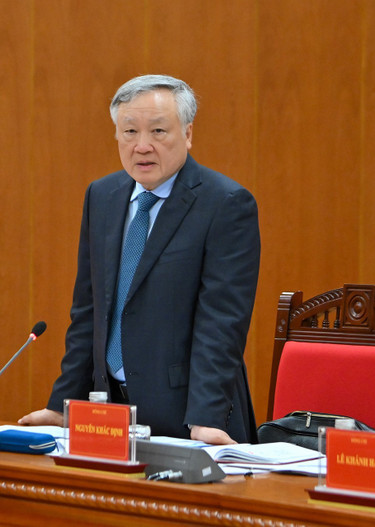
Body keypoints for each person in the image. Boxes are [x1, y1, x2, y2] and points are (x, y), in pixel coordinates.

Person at [19, 74, 260, 445]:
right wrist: (63, 404)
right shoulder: (102, 196)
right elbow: (88, 312)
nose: (142, 146)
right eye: (129, 132)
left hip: (190, 420)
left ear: (188, 133)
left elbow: (222, 323)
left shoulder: (225, 204)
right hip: (108, 414)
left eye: (159, 131)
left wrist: (206, 418)